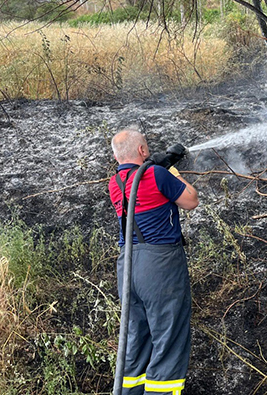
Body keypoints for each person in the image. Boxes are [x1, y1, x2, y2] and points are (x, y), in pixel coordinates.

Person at [108, 129, 199, 395]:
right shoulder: (157, 174)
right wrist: (171, 170)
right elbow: (191, 200)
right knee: (169, 338)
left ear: (116, 156)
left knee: (136, 339)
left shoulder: (115, 182)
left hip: (128, 267)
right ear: (142, 151)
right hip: (160, 266)